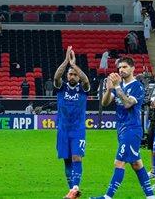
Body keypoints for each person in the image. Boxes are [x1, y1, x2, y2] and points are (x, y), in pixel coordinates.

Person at [90, 57, 154, 199]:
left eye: (125, 67)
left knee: (119, 162)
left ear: (132, 68)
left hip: (132, 129)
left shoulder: (137, 86)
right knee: (137, 164)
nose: (121, 70)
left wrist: (117, 87)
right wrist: (109, 89)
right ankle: (151, 196)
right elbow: (105, 103)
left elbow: (127, 104)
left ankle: (108, 197)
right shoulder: (120, 86)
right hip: (121, 129)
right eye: (119, 67)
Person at [54, 46, 90, 199]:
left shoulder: (83, 89)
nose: (73, 76)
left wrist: (74, 64)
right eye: (70, 74)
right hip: (63, 130)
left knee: (77, 157)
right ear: (67, 76)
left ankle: (75, 186)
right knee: (67, 160)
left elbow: (86, 80)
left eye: (75, 74)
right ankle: (72, 191)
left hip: (78, 130)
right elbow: (56, 77)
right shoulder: (61, 87)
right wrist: (66, 61)